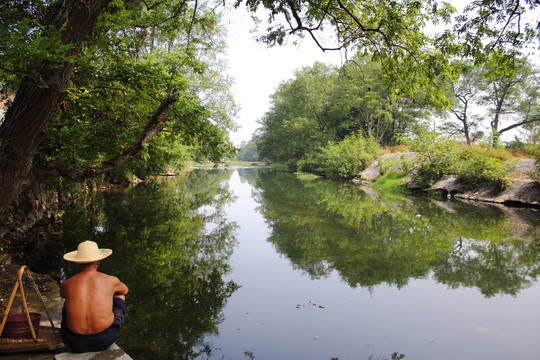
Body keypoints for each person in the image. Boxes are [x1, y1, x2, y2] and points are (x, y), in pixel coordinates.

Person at [59, 240, 129, 353]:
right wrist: (108, 293)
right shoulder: (111, 280)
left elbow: (62, 295)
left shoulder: (66, 283)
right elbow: (125, 290)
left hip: (73, 341)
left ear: (77, 263)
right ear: (98, 262)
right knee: (119, 295)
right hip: (104, 340)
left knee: (68, 300)